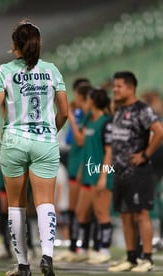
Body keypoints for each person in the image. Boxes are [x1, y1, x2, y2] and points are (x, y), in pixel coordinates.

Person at [0, 21, 68, 276]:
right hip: (45, 141)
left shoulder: (5, 71)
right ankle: (48, 256)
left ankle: (23, 265)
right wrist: (49, 132)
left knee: (15, 205)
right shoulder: (52, 71)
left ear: (15, 45)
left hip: (14, 142)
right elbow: (65, 112)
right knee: (45, 203)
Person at [108, 71, 163, 272]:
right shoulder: (117, 109)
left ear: (131, 88)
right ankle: (131, 257)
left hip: (138, 171)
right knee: (125, 214)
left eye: (119, 86)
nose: (114, 89)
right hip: (120, 172)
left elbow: (160, 131)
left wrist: (145, 155)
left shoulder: (142, 109)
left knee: (141, 214)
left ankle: (147, 259)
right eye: (114, 86)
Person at [68, 88, 114, 264]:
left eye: (87, 100)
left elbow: (109, 152)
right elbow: (83, 144)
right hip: (87, 174)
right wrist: (81, 170)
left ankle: (104, 249)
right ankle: (84, 249)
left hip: (100, 174)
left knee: (102, 213)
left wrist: (103, 176)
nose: (84, 104)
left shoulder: (106, 123)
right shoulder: (89, 119)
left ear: (93, 102)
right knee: (81, 212)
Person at [55, 79, 92, 263]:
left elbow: (79, 140)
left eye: (76, 95)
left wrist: (69, 114)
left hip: (85, 165)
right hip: (75, 162)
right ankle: (76, 247)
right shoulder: (79, 114)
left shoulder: (89, 116)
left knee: (83, 209)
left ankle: (87, 246)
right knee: (74, 208)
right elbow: (70, 140)